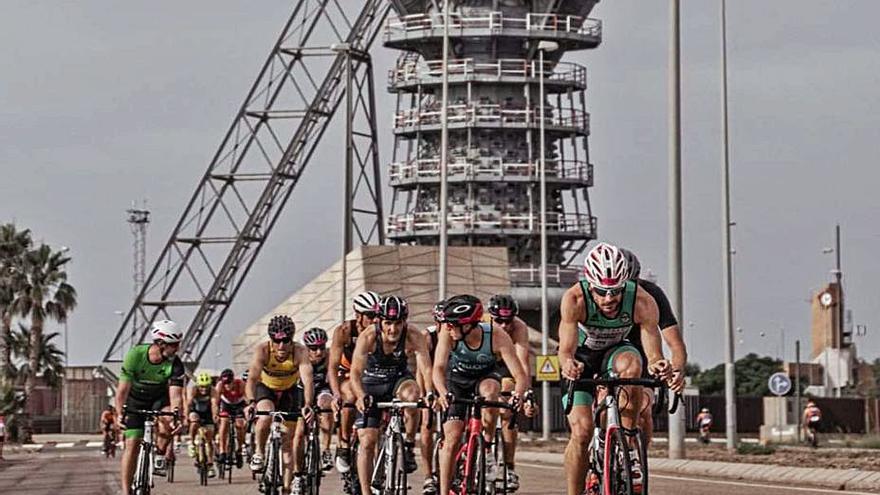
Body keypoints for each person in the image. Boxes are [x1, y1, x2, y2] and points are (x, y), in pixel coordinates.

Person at [558, 243, 671, 495]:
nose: (609, 299)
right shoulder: (574, 299)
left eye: (615, 291)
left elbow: (652, 349)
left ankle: (629, 445)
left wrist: (657, 363)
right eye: (601, 292)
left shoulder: (641, 300)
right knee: (582, 432)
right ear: (589, 284)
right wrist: (568, 363)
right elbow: (565, 349)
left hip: (616, 351)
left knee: (633, 364)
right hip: (582, 359)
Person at [433, 294, 534, 495]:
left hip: (485, 376)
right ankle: (444, 491)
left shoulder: (497, 335)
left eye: (453, 324)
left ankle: (486, 447)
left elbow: (520, 375)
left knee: (490, 391)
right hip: (458, 381)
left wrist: (519, 395)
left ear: (468, 325)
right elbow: (438, 368)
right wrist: (443, 392)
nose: (449, 328)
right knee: (452, 438)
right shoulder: (447, 332)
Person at [350, 295, 434, 495]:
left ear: (405, 321)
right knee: (368, 441)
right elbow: (355, 372)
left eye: (397, 323)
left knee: (413, 396)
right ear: (379, 321)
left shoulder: (413, 335)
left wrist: (430, 393)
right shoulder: (368, 336)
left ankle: (408, 444)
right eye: (388, 323)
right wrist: (360, 395)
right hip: (371, 384)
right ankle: (365, 491)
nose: (393, 329)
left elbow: (426, 368)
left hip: (398, 380)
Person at [619, 247, 687, 446]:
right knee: (601, 405)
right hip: (607, 352)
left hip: (643, 354)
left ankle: (636, 460)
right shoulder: (600, 297)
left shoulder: (651, 294)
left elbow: (675, 343)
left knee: (644, 410)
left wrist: (677, 370)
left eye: (630, 285)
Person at [244, 314, 314, 495]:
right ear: (271, 339)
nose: (281, 346)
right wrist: (251, 402)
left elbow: (307, 380)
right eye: (276, 341)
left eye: (286, 341)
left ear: (292, 339)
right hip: (266, 389)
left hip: (289, 392)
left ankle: (287, 487)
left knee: (288, 444)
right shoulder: (263, 350)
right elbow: (252, 379)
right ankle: (259, 452)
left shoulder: (300, 352)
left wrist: (307, 404)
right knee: (265, 414)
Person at [115, 320, 186, 495]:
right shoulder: (135, 355)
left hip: (159, 398)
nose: (177, 349)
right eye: (173, 345)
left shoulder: (175, 364)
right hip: (136, 399)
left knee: (169, 419)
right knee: (132, 444)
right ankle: (126, 491)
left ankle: (160, 453)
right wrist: (119, 413)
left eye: (178, 345)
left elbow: (175, 396)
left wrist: (177, 415)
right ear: (160, 343)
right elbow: (122, 390)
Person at [327, 290, 381, 474]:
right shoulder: (344, 331)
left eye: (378, 315)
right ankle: (343, 442)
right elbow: (333, 367)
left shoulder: (382, 330)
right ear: (358, 315)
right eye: (371, 316)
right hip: (348, 373)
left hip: (370, 374)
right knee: (350, 394)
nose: (376, 320)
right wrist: (335, 395)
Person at [486, 293, 530, 491]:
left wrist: (526, 395)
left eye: (508, 321)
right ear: (489, 317)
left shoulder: (519, 328)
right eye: (499, 321)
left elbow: (522, 365)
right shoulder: (482, 325)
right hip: (483, 365)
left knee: (508, 410)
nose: (504, 326)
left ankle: (509, 467)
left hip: (506, 366)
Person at [291, 327, 337, 493]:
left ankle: (325, 450)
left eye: (321, 347)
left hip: (322, 390)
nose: (319, 352)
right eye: (314, 348)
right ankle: (297, 475)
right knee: (299, 432)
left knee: (327, 405)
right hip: (302, 392)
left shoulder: (329, 357)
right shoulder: (300, 358)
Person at [417, 300, 444, 495]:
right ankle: (428, 476)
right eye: (440, 322)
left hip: (449, 380)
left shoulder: (456, 334)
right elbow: (422, 370)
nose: (444, 327)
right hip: (429, 381)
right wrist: (426, 394)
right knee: (427, 424)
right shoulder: (427, 337)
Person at [187, 371, 218, 478]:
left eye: (206, 387)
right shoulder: (193, 390)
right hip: (196, 411)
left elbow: (214, 405)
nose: (204, 389)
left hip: (208, 413)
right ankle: (191, 443)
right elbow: (189, 403)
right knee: (194, 420)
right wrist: (186, 416)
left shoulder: (213, 391)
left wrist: (215, 416)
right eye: (201, 387)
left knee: (209, 439)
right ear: (198, 385)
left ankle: (210, 465)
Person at [214, 367, 246, 468]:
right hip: (226, 404)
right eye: (225, 383)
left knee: (240, 425)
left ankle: (239, 450)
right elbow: (215, 402)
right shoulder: (220, 386)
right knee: (224, 422)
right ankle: (223, 450)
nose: (227, 386)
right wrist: (215, 414)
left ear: (233, 380)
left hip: (239, 404)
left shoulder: (240, 384)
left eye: (229, 383)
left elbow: (247, 398)